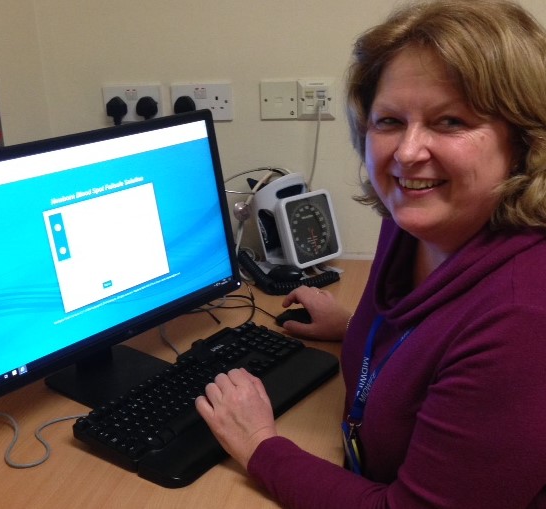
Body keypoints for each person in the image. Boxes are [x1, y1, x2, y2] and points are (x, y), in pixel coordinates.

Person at [195, 0, 546, 507]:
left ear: (524, 140)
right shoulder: (414, 225)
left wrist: (258, 446)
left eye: (450, 121)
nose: (406, 153)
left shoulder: (524, 319)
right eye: (389, 121)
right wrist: (356, 327)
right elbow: (433, 327)